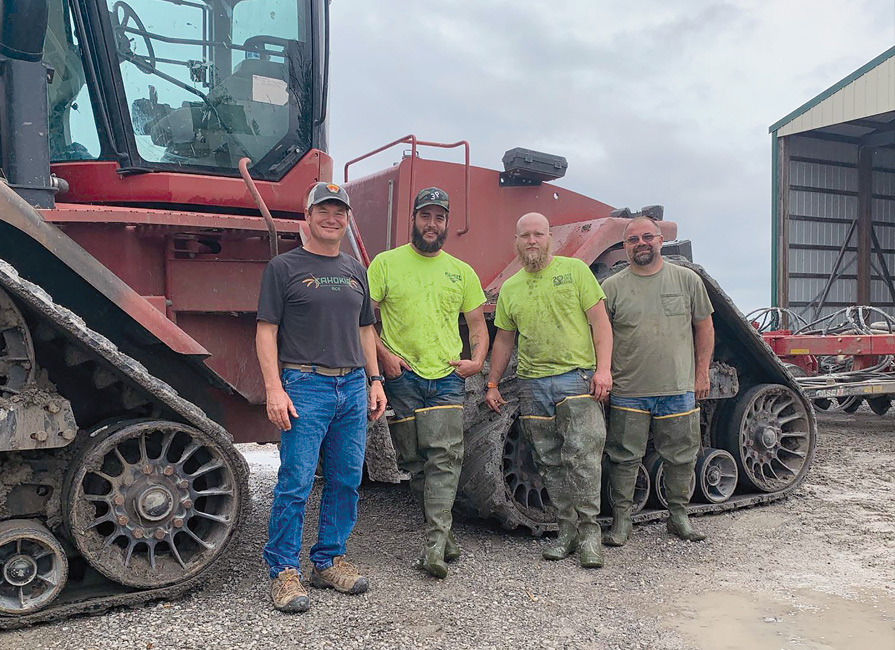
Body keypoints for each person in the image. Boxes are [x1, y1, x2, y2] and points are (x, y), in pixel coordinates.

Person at [256, 182, 387, 613]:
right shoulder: (283, 267)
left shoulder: (355, 269)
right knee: (295, 481)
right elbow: (266, 331)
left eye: (340, 212)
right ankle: (282, 571)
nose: (332, 219)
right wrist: (274, 388)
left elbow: (366, 328)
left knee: (346, 479)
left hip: (351, 386)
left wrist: (375, 379)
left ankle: (328, 560)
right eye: (324, 211)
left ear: (347, 219)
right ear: (307, 217)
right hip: (304, 385)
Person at [367, 187, 488, 579]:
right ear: (414, 219)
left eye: (439, 217)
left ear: (447, 223)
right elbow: (363, 320)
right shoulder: (385, 264)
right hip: (401, 376)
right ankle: (444, 535)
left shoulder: (461, 271)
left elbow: (477, 325)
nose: (431, 224)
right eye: (425, 216)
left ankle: (434, 546)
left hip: (447, 377)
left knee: (445, 459)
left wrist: (478, 360)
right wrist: (384, 357)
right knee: (414, 463)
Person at [484, 212, 612, 569]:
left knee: (583, 458)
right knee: (549, 461)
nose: (532, 241)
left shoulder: (574, 272)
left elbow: (600, 323)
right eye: (525, 235)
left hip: (575, 378)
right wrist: (492, 383)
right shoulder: (511, 288)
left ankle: (590, 536)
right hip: (532, 383)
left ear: (550, 237)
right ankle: (566, 532)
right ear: (517, 241)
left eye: (538, 234)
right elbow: (504, 341)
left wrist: (603, 370)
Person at [601, 215, 715, 546]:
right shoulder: (612, 287)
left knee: (681, 456)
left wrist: (701, 372)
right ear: (624, 247)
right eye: (633, 240)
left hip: (677, 386)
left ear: (660, 239)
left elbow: (704, 327)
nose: (641, 244)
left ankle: (678, 516)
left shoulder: (687, 280)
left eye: (647, 237)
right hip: (629, 390)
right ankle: (622, 522)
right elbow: (601, 335)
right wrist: (604, 373)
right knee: (623, 457)